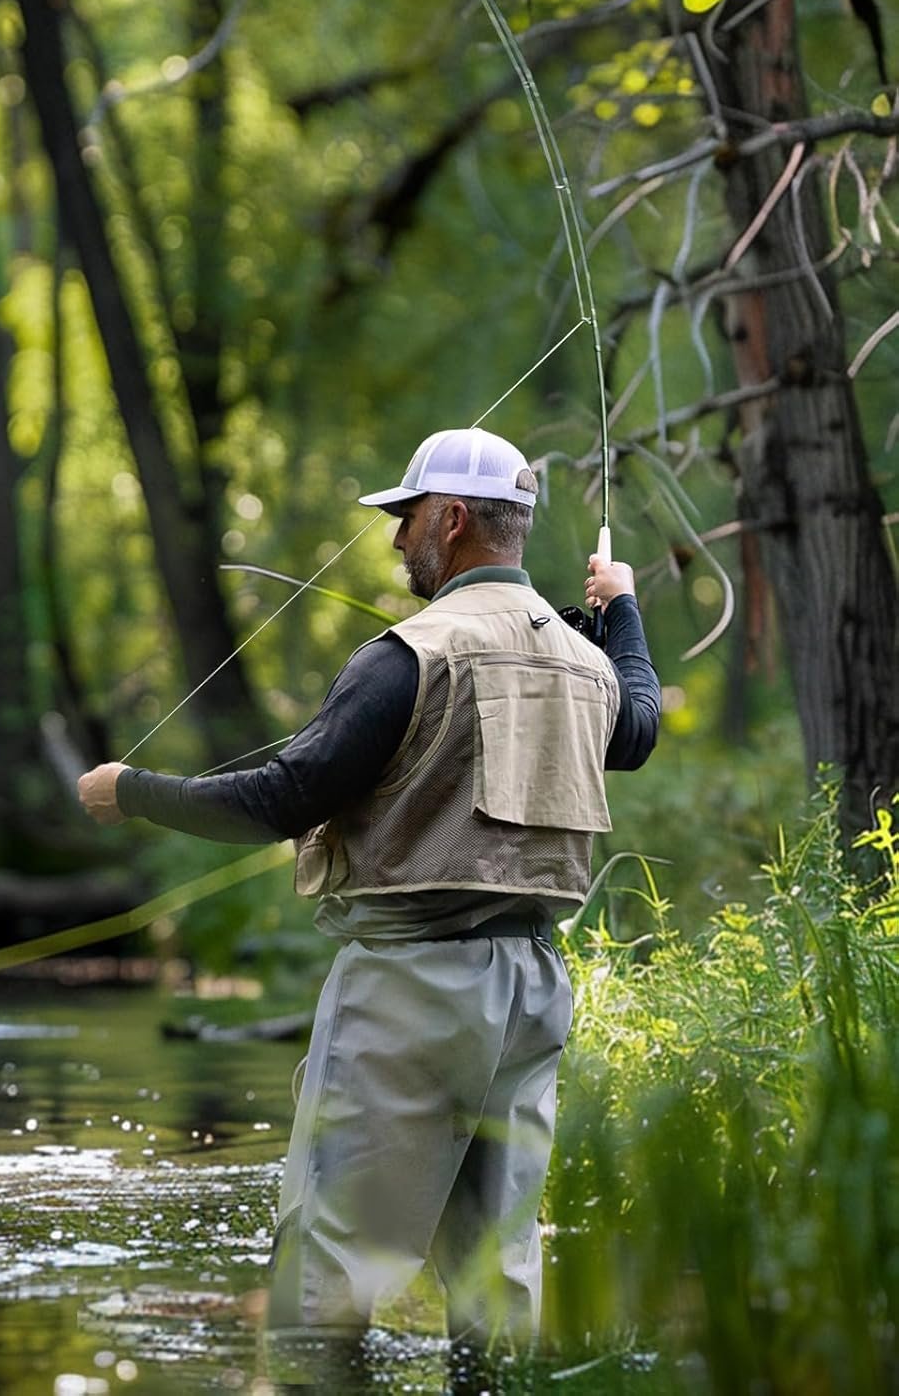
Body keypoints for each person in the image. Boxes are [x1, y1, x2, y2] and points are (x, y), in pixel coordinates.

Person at [77, 428, 661, 1379]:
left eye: (407, 519)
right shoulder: (586, 664)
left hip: (410, 993)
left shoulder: (407, 656)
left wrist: (131, 792)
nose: (397, 542)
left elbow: (276, 800)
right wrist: (622, 607)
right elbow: (637, 726)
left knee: (325, 1281)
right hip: (533, 996)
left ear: (455, 519)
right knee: (494, 1281)